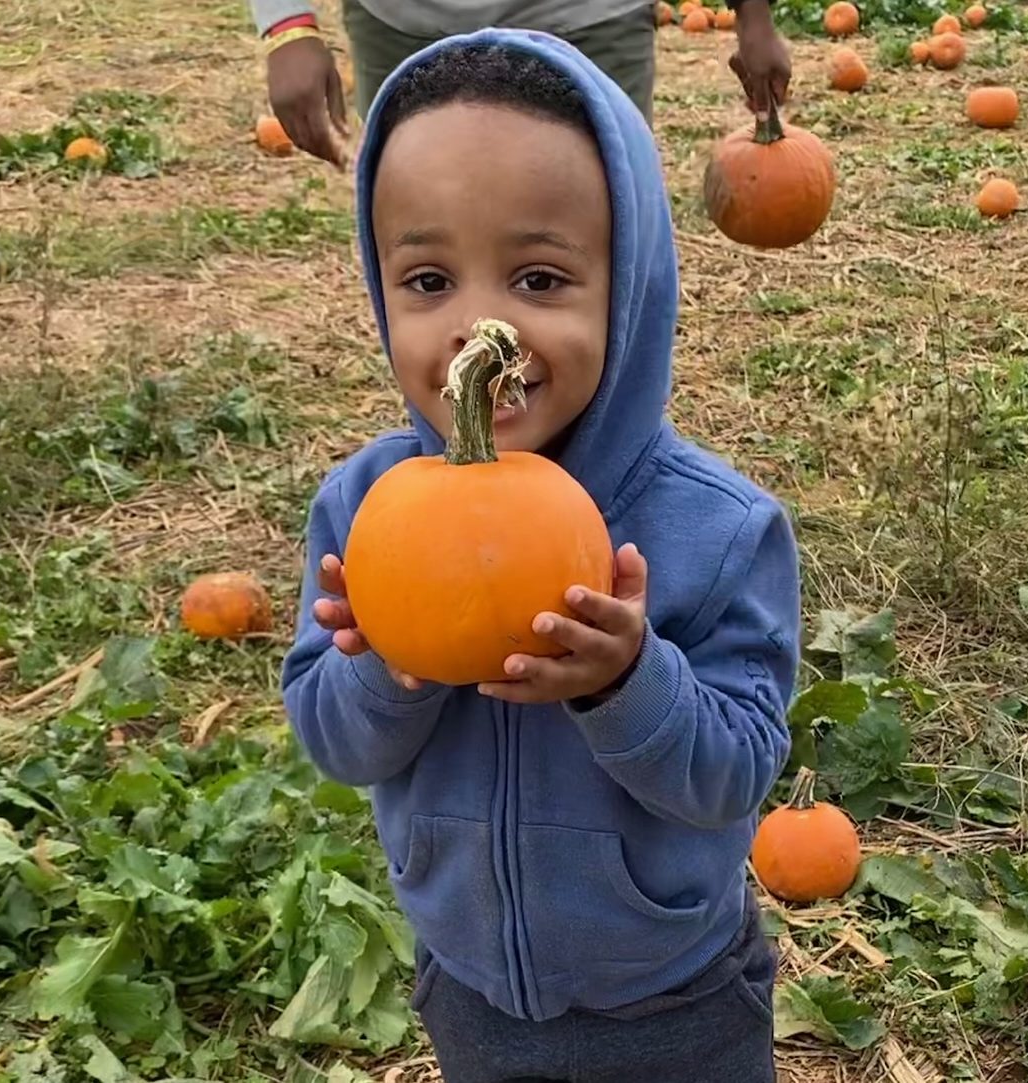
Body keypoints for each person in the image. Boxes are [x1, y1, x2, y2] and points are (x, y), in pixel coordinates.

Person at [282, 28, 802, 1083]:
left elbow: (739, 770)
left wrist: (629, 681)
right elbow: (335, 743)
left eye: (537, 277)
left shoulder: (720, 528)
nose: (482, 328)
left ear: (632, 281)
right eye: (428, 279)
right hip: (470, 984)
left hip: (677, 996)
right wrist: (384, 663)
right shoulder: (364, 510)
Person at [250, 0, 793, 163]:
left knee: (594, 249)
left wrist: (753, 12)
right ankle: (453, 435)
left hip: (591, 18)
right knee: (430, 257)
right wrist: (286, 23)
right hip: (403, 22)